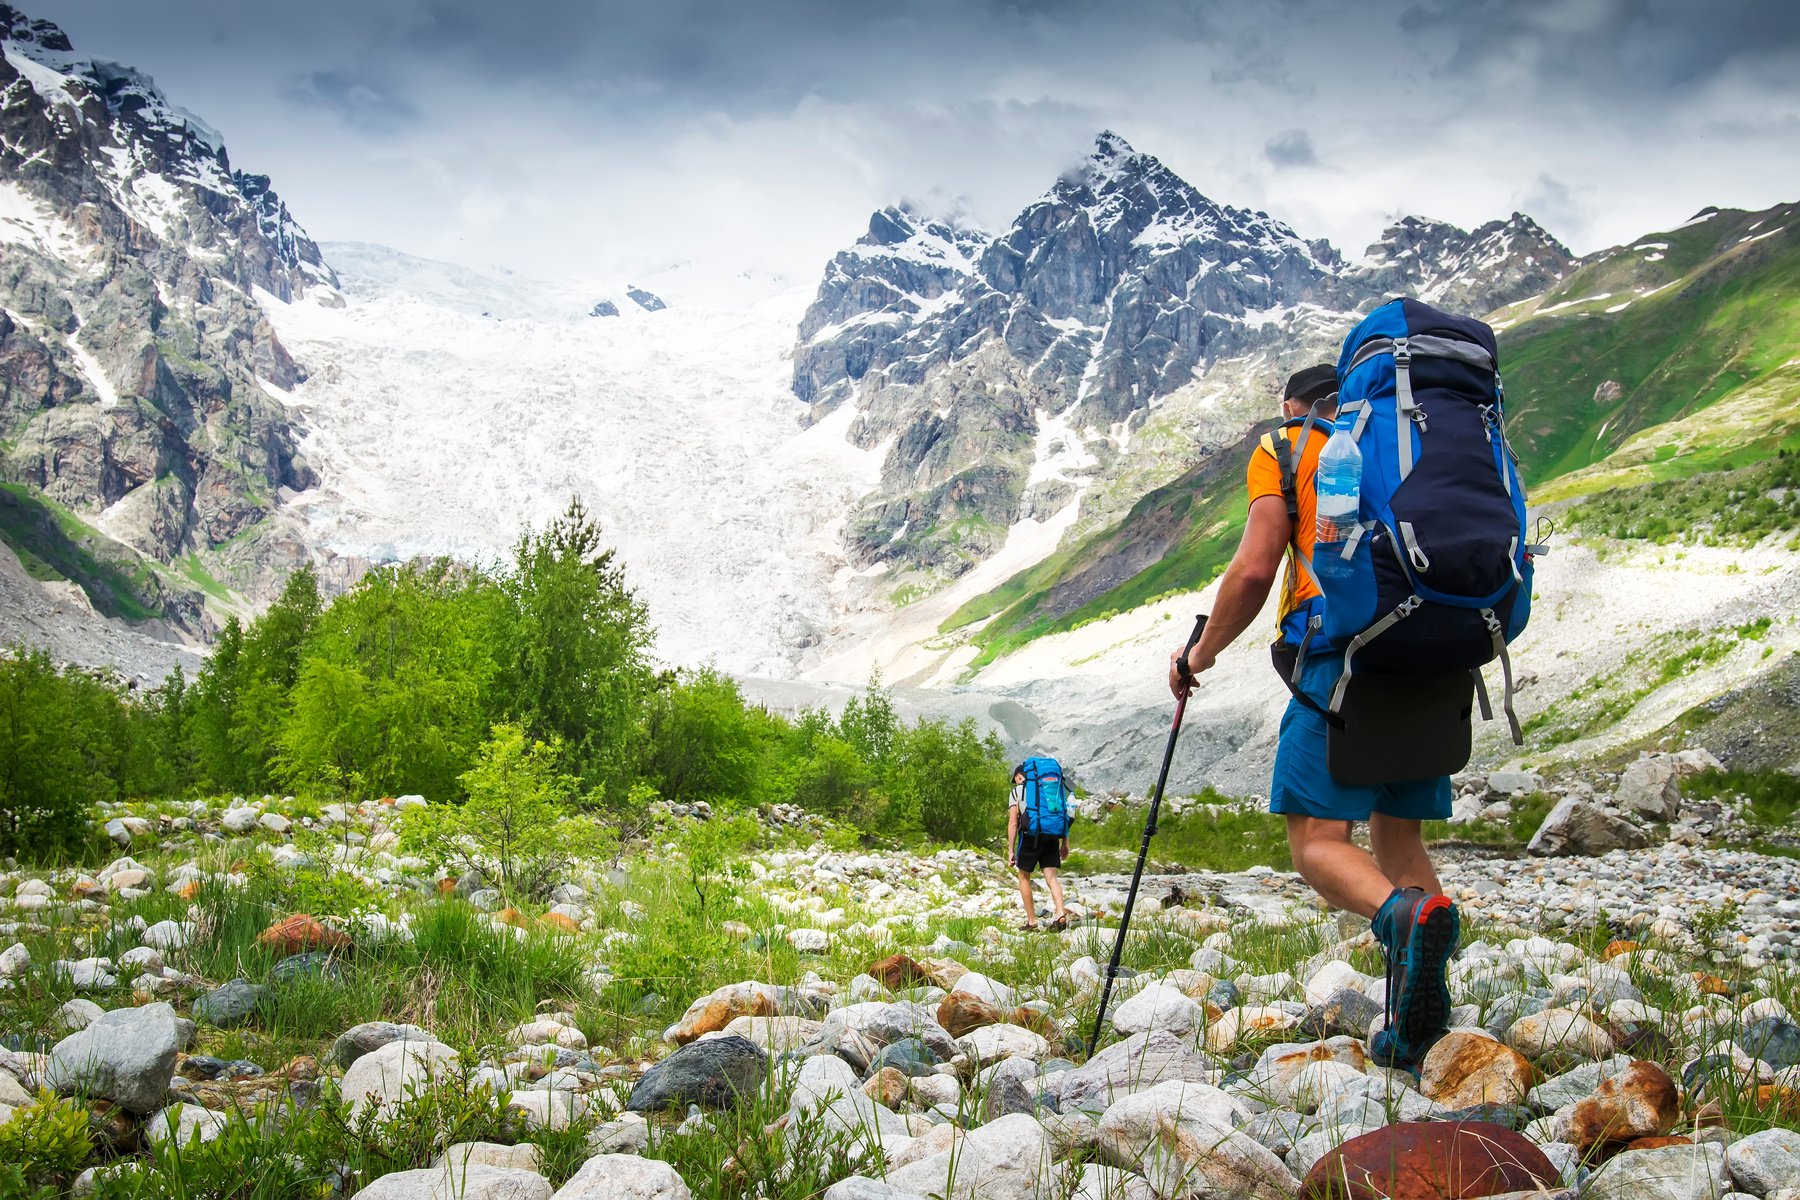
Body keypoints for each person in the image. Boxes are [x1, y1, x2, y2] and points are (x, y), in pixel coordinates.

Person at [1166, 363, 1459, 1070]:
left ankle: (1409, 921)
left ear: (1291, 403)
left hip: (1341, 654)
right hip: (1438, 652)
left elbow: (1256, 568)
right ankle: (1421, 1022)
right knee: (1397, 837)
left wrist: (1198, 655)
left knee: (1317, 843)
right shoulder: (1417, 440)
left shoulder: (1291, 444)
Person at [1007, 763, 1070, 931]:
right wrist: (1065, 843)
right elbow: (1061, 814)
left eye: (1016, 779)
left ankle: (1032, 920)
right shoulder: (1049, 789)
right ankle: (1060, 914)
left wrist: (1010, 850)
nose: (1016, 782)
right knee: (1051, 878)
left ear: (1020, 775)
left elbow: (1013, 823)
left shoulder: (1016, 792)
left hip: (1029, 837)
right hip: (1051, 835)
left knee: (1024, 877)